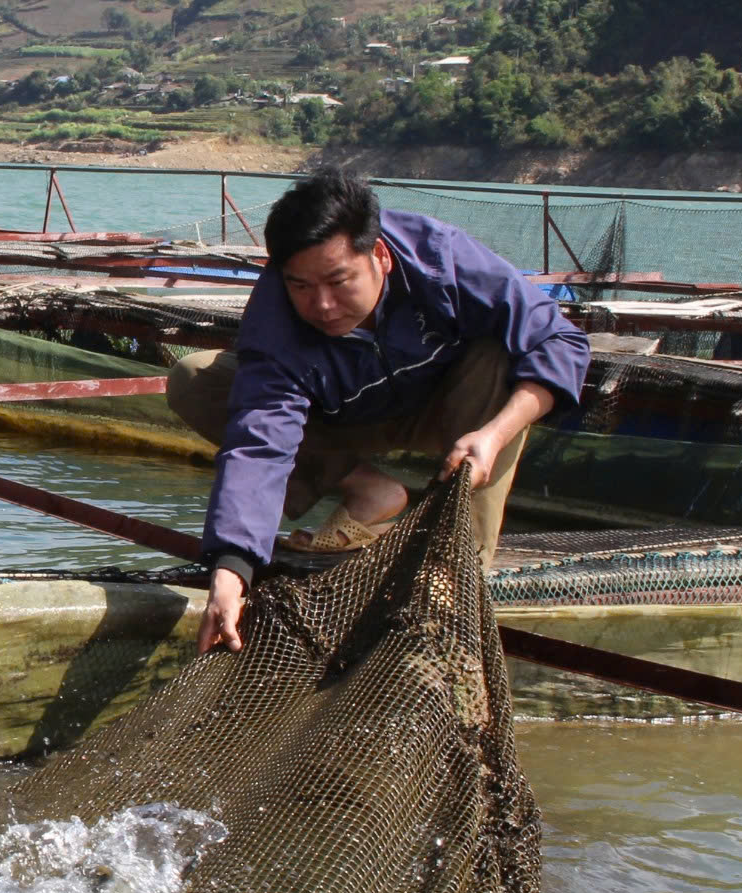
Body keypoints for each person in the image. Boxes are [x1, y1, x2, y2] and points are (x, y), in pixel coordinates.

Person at [174, 172, 591, 656]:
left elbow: (557, 340)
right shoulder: (275, 321)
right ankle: (368, 489)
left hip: (451, 411)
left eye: (338, 280)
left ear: (381, 257)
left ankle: (458, 566)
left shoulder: (441, 257)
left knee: (499, 354)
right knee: (195, 378)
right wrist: (230, 572)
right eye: (301, 286)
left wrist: (495, 435)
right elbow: (259, 441)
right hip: (343, 419)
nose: (323, 305)